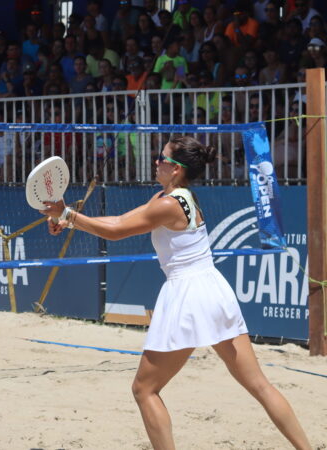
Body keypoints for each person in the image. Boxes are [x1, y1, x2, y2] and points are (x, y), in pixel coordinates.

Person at [41, 136, 311, 450]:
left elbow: (116, 232)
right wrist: (67, 219)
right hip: (213, 290)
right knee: (259, 385)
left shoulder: (169, 204)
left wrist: (69, 215)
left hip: (188, 295)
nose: (156, 161)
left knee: (144, 390)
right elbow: (118, 220)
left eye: (162, 158)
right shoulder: (175, 197)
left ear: (176, 170)